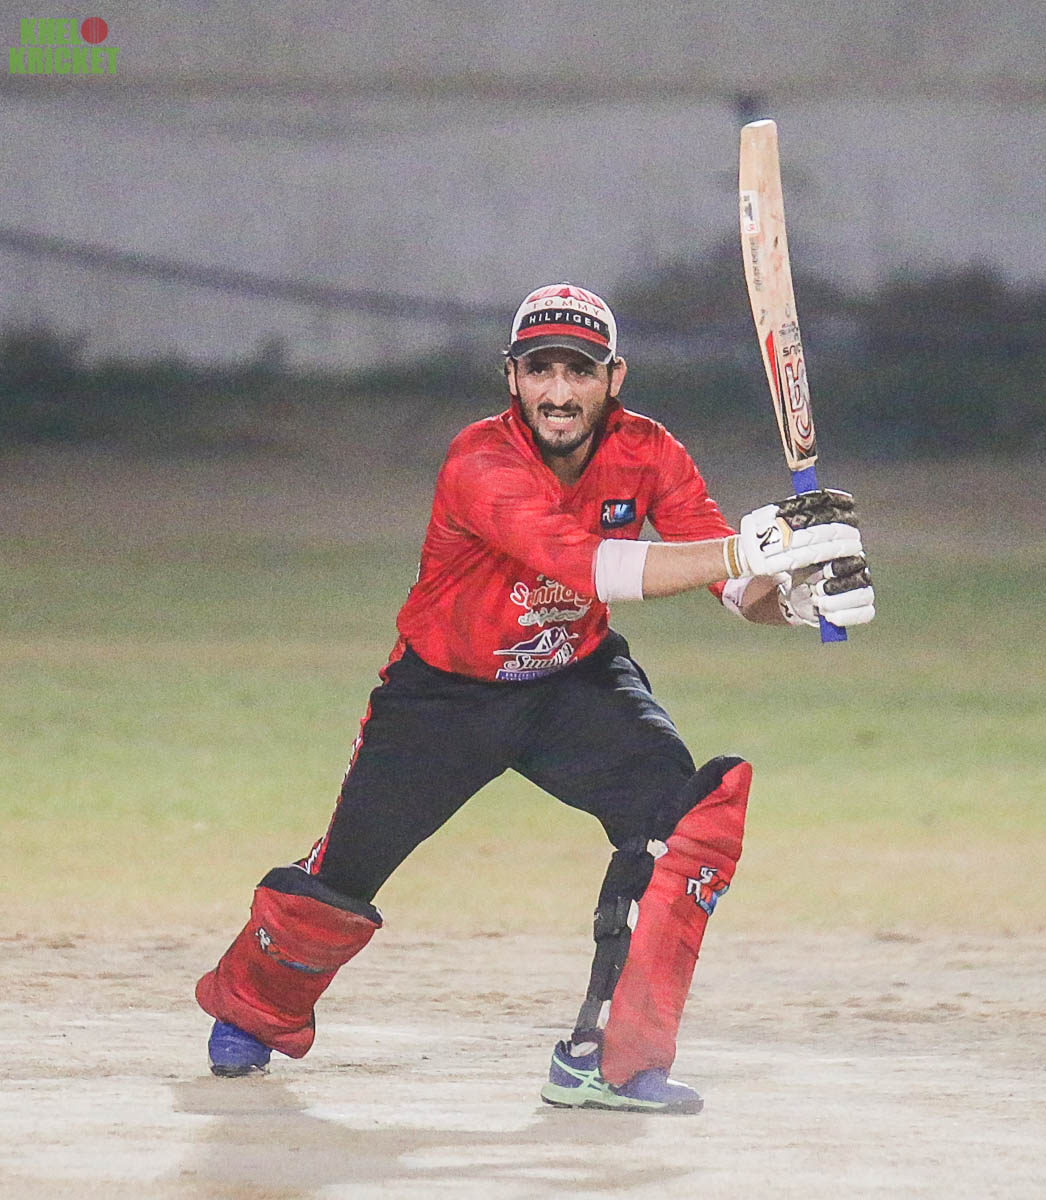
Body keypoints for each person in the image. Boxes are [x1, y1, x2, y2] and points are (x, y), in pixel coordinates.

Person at [197, 282, 874, 1113]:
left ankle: (608, 1059)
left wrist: (797, 597)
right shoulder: (479, 462)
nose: (559, 390)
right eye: (540, 369)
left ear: (614, 377)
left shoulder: (649, 451)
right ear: (511, 377)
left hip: (572, 682)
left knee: (681, 819)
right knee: (345, 873)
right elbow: (594, 567)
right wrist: (753, 548)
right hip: (443, 696)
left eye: (579, 371)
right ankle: (252, 1010)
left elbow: (730, 585)